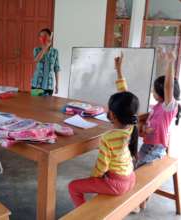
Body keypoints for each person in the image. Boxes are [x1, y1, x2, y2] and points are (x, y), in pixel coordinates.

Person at [68, 53, 139, 207]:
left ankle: (85, 215)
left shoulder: (108, 137)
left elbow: (102, 167)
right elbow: (125, 96)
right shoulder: (131, 125)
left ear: (112, 114)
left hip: (117, 184)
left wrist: (93, 179)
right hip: (130, 177)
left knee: (73, 187)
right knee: (95, 182)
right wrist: (119, 70)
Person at [136, 49, 181, 168]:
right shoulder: (157, 106)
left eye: (154, 90)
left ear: (162, 92)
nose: (152, 92)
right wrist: (145, 128)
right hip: (148, 144)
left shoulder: (169, 107)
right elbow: (152, 123)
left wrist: (171, 62)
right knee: (134, 165)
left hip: (155, 148)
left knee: (138, 169)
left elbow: (168, 86)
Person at [31, 28, 60, 96]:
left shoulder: (55, 52)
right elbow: (36, 60)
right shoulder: (36, 50)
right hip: (37, 84)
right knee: (35, 105)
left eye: (45, 36)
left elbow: (57, 69)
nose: (43, 38)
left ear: (50, 37)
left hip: (49, 85)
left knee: (46, 105)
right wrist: (45, 47)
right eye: (41, 36)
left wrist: (57, 85)